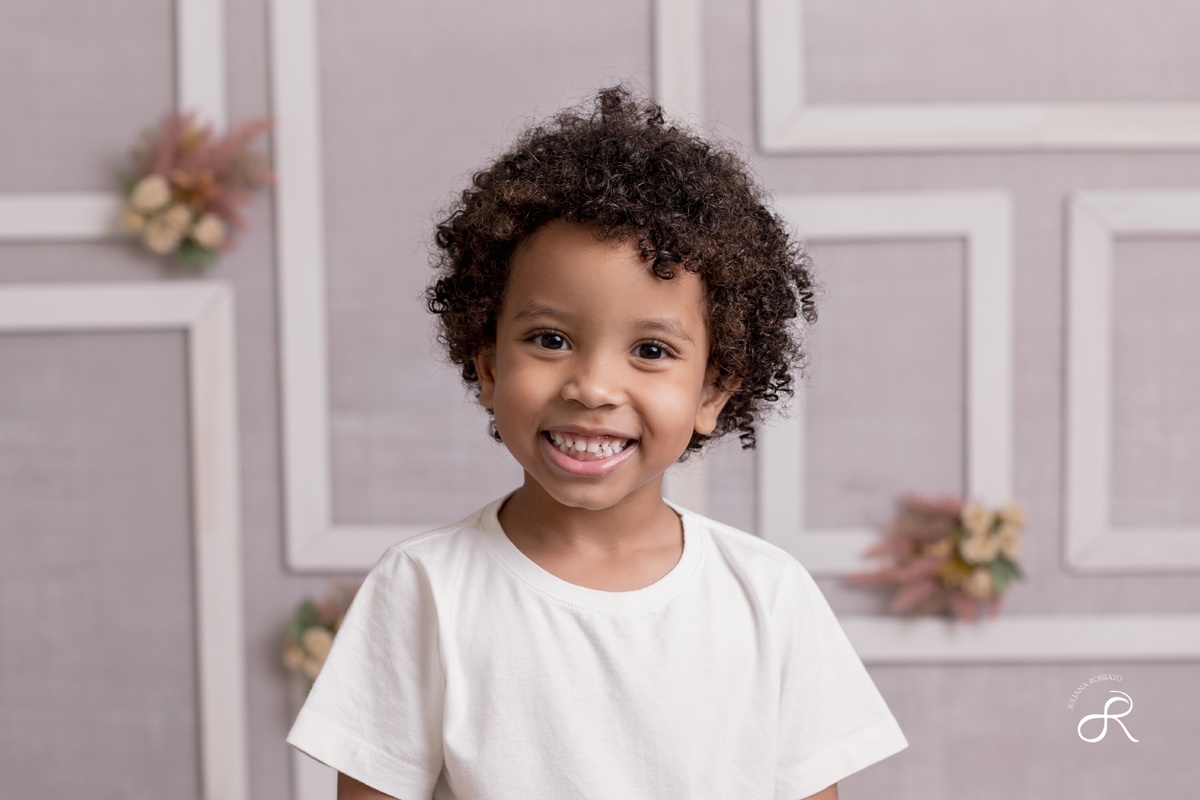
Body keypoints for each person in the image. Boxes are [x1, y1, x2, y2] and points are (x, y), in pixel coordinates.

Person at [287, 85, 907, 800]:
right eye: (550, 339)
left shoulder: (767, 595)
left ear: (712, 393)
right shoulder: (423, 590)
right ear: (488, 367)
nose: (593, 387)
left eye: (650, 350)